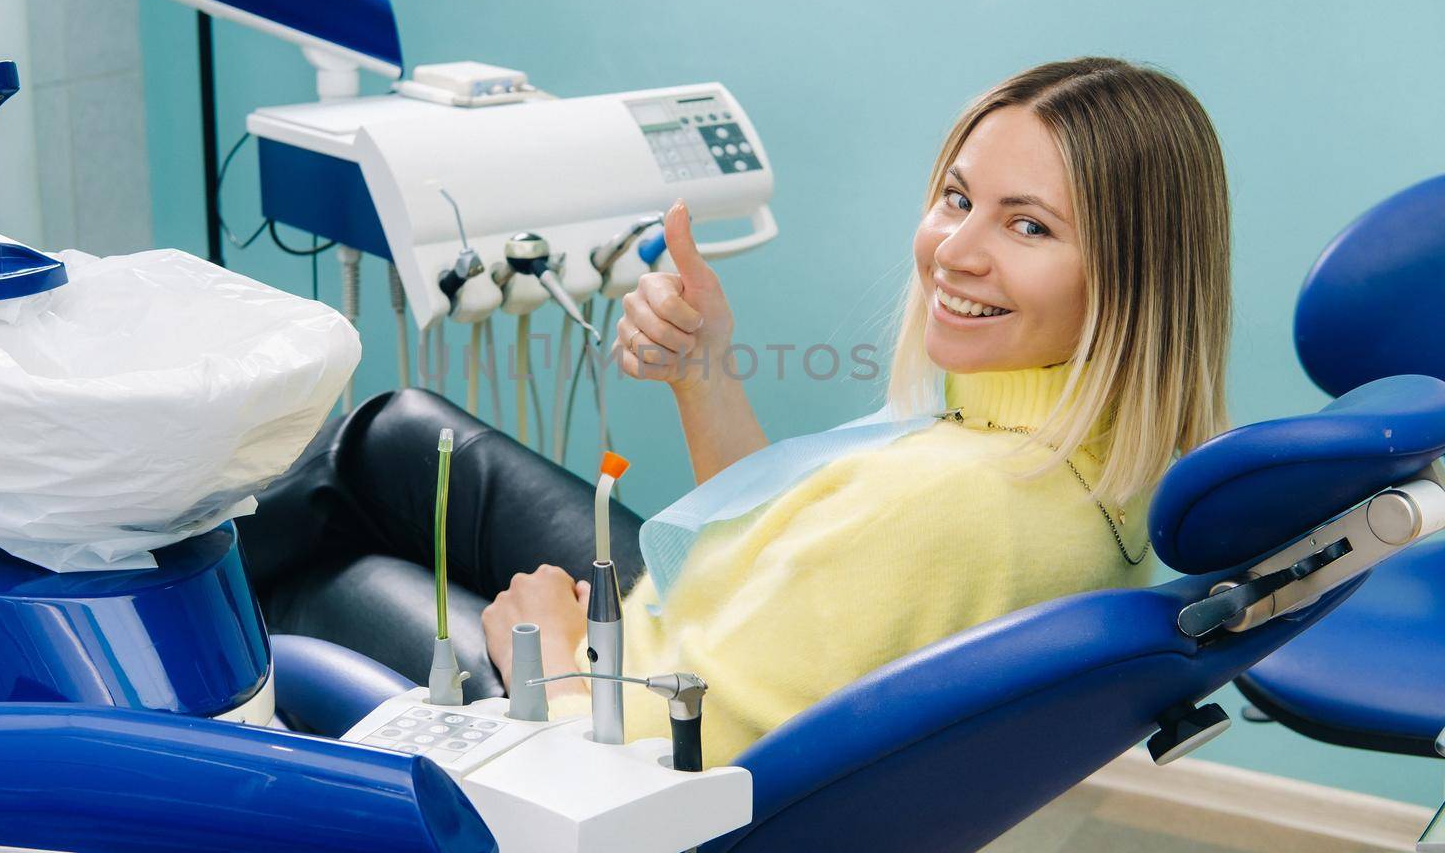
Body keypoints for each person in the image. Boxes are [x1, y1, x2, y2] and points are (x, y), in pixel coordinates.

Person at [239, 56, 1232, 767]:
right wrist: (704, 373)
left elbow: (678, 758)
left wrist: (548, 651)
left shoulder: (960, 508)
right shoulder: (1075, 457)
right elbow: (804, 571)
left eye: (1028, 225)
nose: (956, 251)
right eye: (956, 198)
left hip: (602, 731)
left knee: (333, 577)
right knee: (400, 432)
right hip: (684, 639)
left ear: (1130, 276)